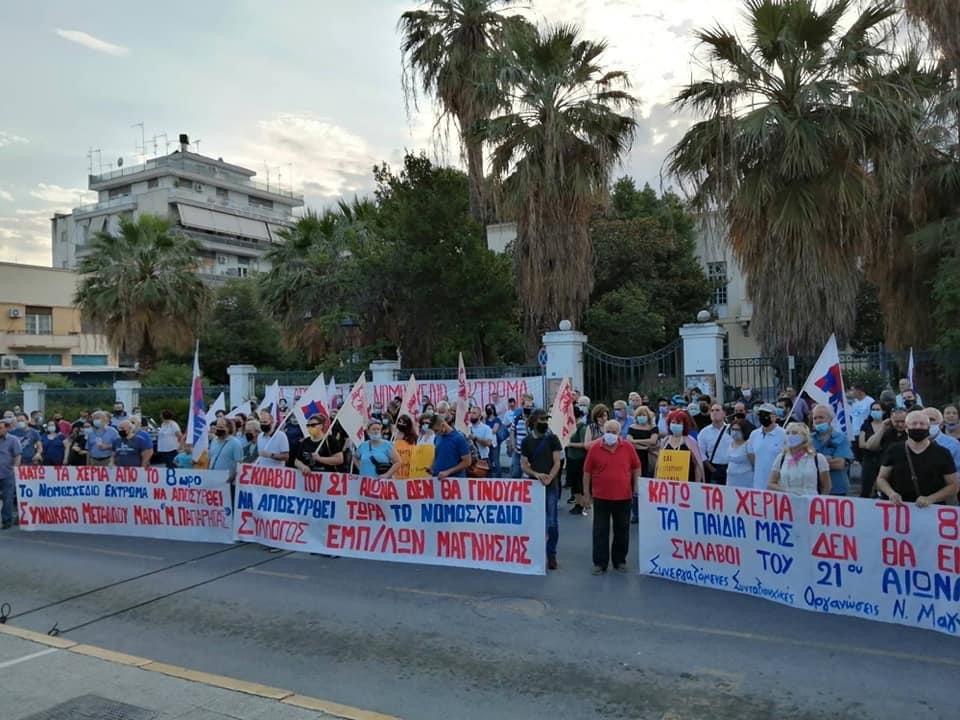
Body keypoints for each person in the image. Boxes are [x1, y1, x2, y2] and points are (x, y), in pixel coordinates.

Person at [582, 419, 642, 575]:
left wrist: (637, 486)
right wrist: (586, 494)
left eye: (614, 432)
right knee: (600, 530)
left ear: (619, 433)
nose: (610, 435)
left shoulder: (627, 447)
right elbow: (587, 472)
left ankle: (619, 561)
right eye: (608, 432)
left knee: (622, 530)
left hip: (623, 496)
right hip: (601, 496)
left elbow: (636, 467)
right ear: (604, 432)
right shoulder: (595, 448)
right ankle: (600, 563)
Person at [876, 410, 957, 506]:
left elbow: (953, 486)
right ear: (906, 428)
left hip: (931, 509)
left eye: (922, 424)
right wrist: (891, 493)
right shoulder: (894, 450)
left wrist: (931, 499)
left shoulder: (943, 453)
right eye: (914, 424)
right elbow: (881, 478)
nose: (918, 427)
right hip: (898, 508)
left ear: (928, 428)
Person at [521, 409, 563, 570]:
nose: (545, 422)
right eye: (542, 419)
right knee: (534, 520)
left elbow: (557, 462)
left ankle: (551, 554)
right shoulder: (526, 441)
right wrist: (536, 474)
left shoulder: (552, 438)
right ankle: (534, 552)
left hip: (550, 485)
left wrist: (550, 477)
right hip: (533, 486)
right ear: (534, 421)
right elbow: (524, 465)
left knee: (552, 521)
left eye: (546, 419)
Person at [768, 422, 831, 495]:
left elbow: (827, 486)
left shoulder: (818, 458)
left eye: (794, 433)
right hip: (787, 503)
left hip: (810, 503)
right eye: (787, 433)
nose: (790, 436)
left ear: (804, 437)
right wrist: (786, 492)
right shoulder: (781, 458)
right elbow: (771, 483)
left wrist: (819, 503)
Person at [810, 404, 853, 495]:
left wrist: (814, 461)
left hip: (836, 489)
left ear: (830, 419)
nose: (817, 421)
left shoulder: (841, 438)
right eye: (815, 418)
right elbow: (803, 462)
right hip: (813, 489)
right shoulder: (808, 439)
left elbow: (839, 464)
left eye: (821, 417)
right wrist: (828, 459)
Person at [626, 405, 659, 522]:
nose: (641, 417)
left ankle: (648, 512)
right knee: (635, 486)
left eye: (643, 415)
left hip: (648, 459)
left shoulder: (653, 428)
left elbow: (653, 441)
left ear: (648, 416)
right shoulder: (632, 427)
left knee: (647, 486)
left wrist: (636, 442)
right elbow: (628, 442)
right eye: (639, 415)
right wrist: (644, 445)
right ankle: (635, 513)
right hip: (635, 458)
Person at [747, 403, 786, 490]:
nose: (762, 417)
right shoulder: (754, 434)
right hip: (758, 483)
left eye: (765, 414)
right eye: (760, 414)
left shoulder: (784, 434)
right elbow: (751, 455)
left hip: (777, 484)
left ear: (774, 416)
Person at [658, 410, 704, 482]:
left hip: (688, 483)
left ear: (684, 425)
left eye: (679, 423)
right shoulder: (665, 441)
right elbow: (659, 464)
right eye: (673, 422)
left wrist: (697, 483)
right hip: (667, 484)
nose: (675, 425)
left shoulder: (691, 442)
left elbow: (697, 464)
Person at [858, 402, 886, 498]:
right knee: (866, 488)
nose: (875, 412)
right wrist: (873, 446)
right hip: (869, 460)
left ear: (883, 411)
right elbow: (861, 444)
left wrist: (871, 444)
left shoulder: (887, 425)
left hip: (884, 460)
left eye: (878, 409)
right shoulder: (866, 425)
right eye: (873, 409)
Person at [698, 404, 732, 485]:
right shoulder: (704, 432)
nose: (714, 412)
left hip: (731, 467)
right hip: (714, 468)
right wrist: (711, 468)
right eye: (712, 410)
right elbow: (701, 452)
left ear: (724, 413)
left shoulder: (731, 429)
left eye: (717, 410)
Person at [429, 413, 471, 479]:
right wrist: (432, 467)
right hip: (438, 480)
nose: (435, 433)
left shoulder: (459, 438)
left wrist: (448, 472)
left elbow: (467, 462)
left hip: (454, 482)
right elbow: (437, 454)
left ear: (443, 425)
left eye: (436, 430)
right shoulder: (437, 437)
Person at [565, 402, 589, 515]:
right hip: (571, 458)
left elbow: (585, 444)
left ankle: (581, 504)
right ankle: (577, 503)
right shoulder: (571, 427)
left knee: (579, 483)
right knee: (574, 483)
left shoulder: (582, 428)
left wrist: (570, 444)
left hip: (579, 459)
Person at [207, 417, 244, 482]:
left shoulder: (235, 443)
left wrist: (231, 479)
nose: (218, 429)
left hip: (227, 482)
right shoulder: (214, 441)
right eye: (217, 426)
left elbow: (239, 464)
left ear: (229, 429)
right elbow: (210, 459)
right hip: (212, 480)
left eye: (221, 427)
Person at [924, 407, 960, 473]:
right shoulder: (912, 443)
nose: (928, 423)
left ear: (941, 424)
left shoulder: (953, 444)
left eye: (931, 420)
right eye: (924, 419)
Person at [0, 418, 21, 529]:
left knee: (7, 498)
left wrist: (15, 469)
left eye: (1, 428)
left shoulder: (13, 440)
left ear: (7, 428)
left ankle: (6, 521)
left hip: (7, 473)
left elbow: (17, 455)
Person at [508, 397, 533, 478]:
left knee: (528, 475)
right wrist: (513, 445)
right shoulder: (517, 418)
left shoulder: (533, 419)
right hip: (518, 451)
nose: (528, 408)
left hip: (530, 453)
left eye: (530, 406)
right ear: (522, 407)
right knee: (515, 473)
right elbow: (512, 432)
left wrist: (527, 423)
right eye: (527, 406)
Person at [725, 419, 754, 488]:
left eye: (738, 430)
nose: (734, 432)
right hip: (731, 479)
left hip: (745, 480)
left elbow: (754, 464)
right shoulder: (730, 442)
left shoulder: (748, 445)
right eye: (733, 429)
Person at [391, 414, 418, 479]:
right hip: (396, 474)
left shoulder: (413, 438)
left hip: (409, 472)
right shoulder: (394, 437)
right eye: (400, 422)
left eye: (403, 422)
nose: (401, 424)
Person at [482, 404, 503, 477]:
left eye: (490, 409)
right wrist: (484, 419)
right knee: (488, 461)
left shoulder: (497, 419)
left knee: (496, 460)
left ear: (493, 410)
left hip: (495, 442)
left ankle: (499, 478)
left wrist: (487, 429)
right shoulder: (485, 420)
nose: (489, 410)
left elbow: (494, 430)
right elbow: (483, 430)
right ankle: (489, 478)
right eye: (487, 409)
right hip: (487, 442)